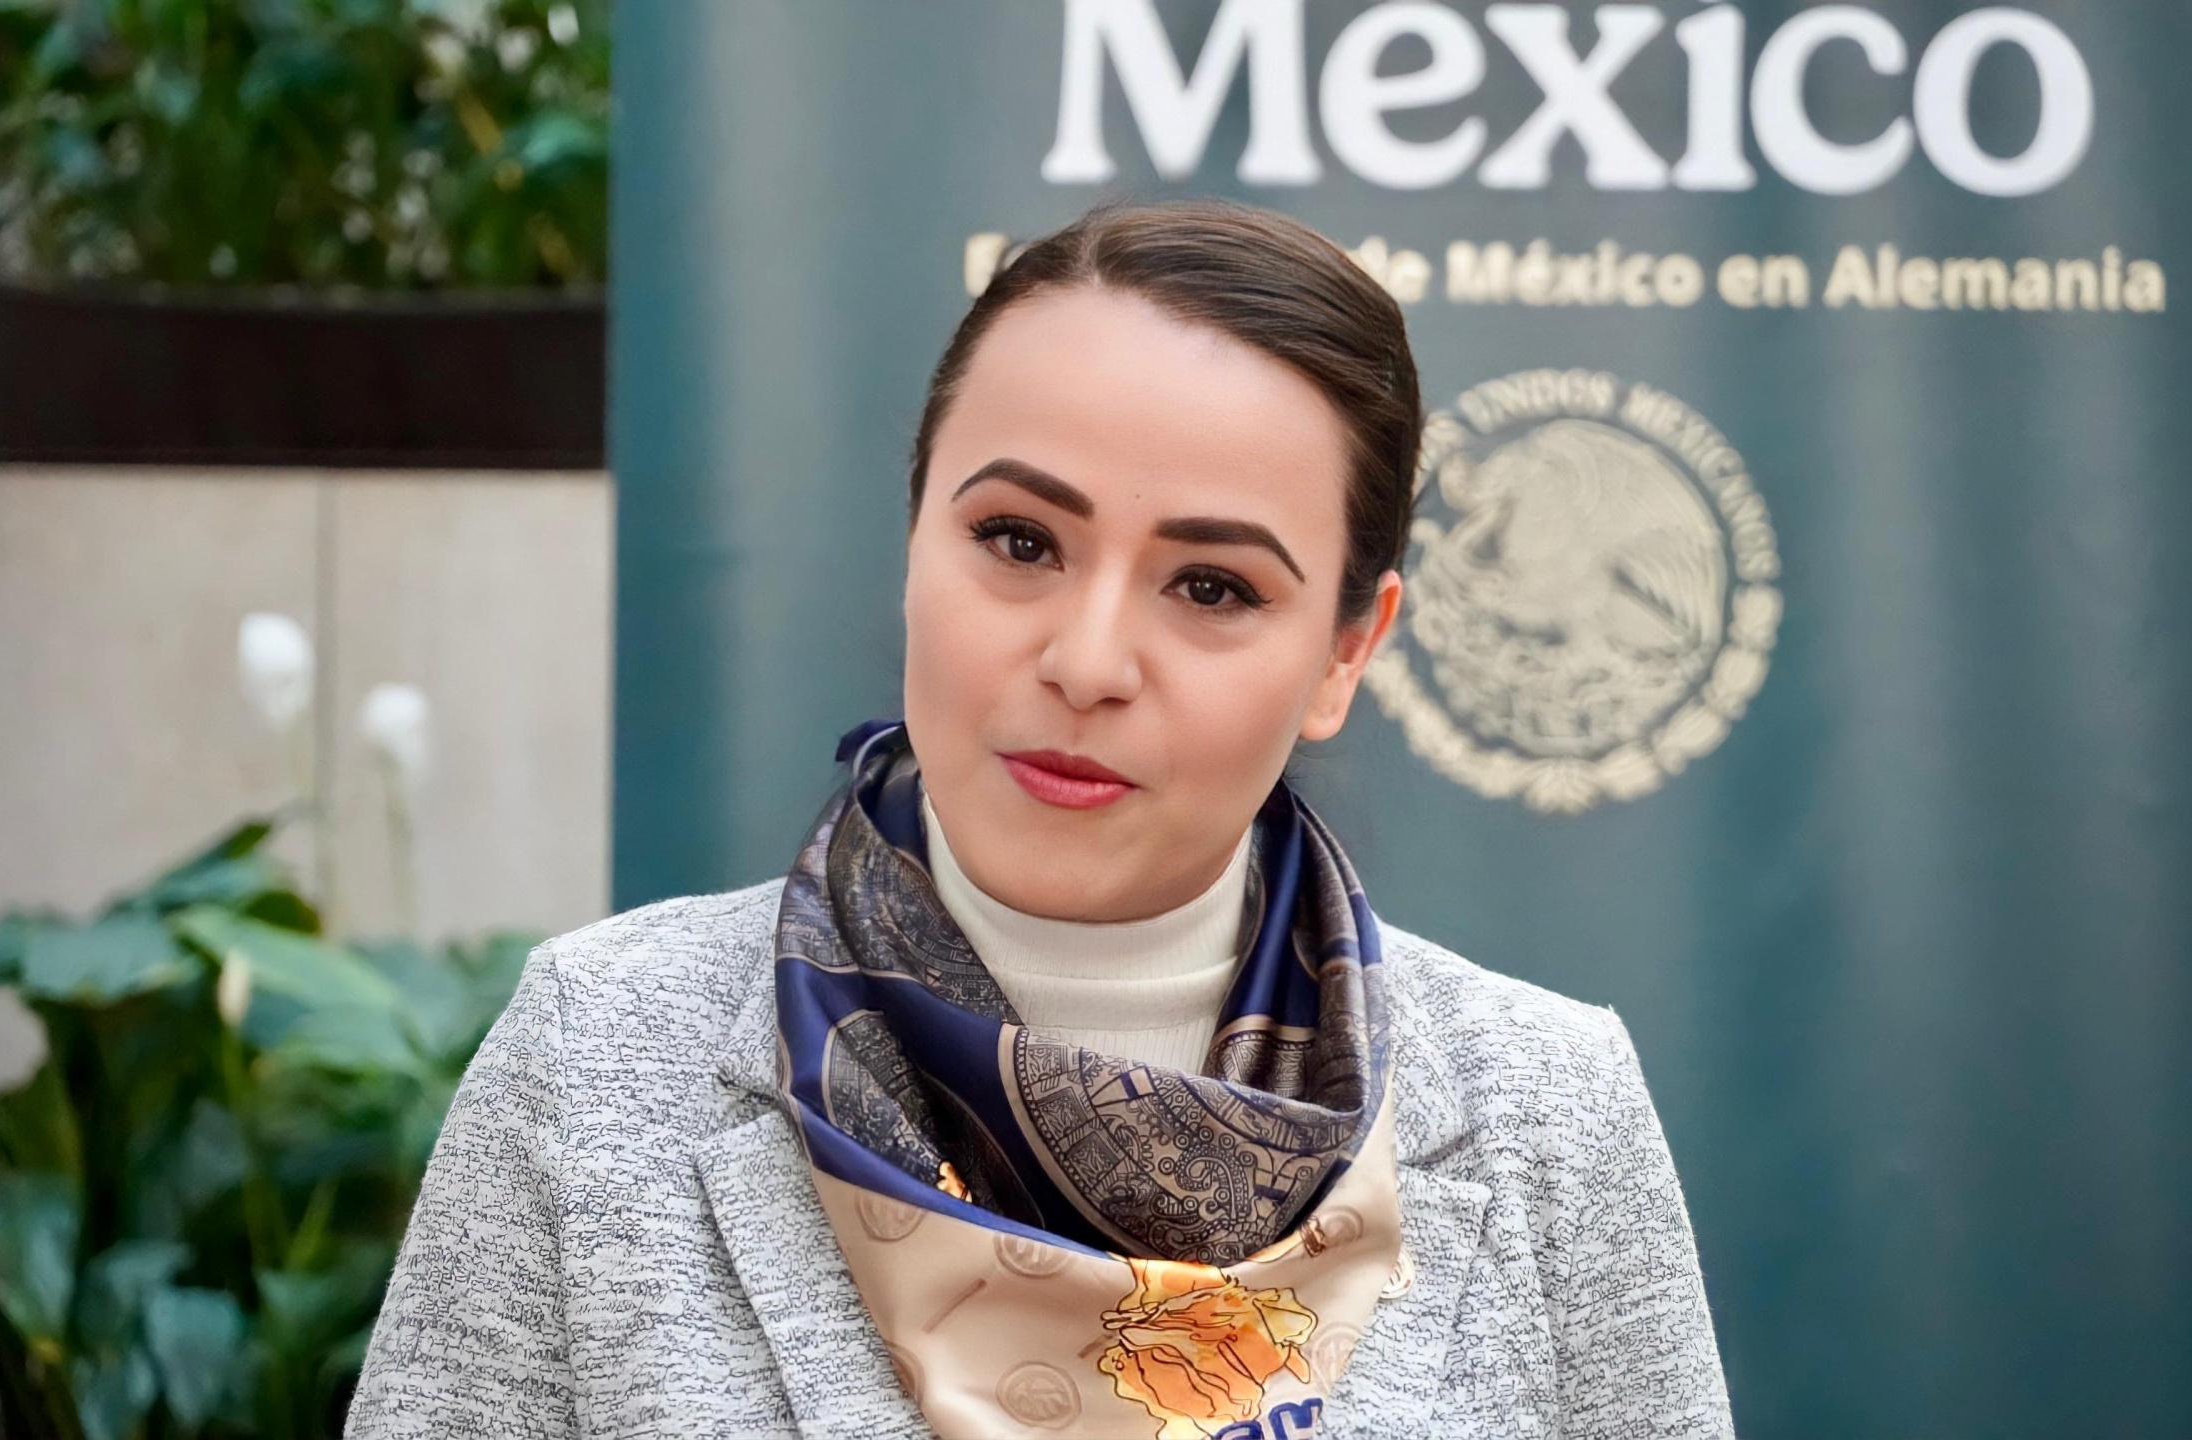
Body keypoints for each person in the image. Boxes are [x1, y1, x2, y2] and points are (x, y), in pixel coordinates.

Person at [347, 201, 1732, 1439]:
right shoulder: (596, 1058)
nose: (1086, 660)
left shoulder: (1552, 1115)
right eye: (1019, 542)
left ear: (1344, 653)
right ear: (913, 541)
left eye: (1212, 588)